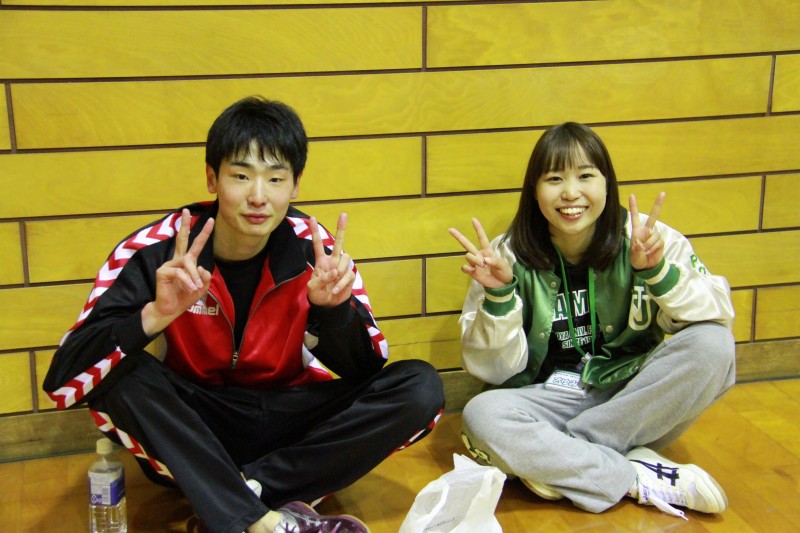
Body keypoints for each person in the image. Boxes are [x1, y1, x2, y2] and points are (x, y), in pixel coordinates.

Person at [44, 96, 445, 533]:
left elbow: (368, 368)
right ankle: (262, 519)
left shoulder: (315, 249)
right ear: (212, 178)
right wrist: (153, 316)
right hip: (195, 426)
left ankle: (234, 499)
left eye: (275, 178)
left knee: (420, 387)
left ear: (295, 186)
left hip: (288, 418)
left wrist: (331, 312)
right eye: (240, 175)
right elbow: (63, 384)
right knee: (121, 374)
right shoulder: (157, 250)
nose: (258, 196)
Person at [448, 122, 735, 520]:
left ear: (607, 184)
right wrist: (500, 296)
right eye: (554, 179)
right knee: (482, 415)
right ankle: (633, 474)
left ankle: (564, 458)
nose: (570, 193)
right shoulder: (505, 255)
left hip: (631, 394)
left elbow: (717, 312)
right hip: (549, 397)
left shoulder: (648, 238)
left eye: (585, 176)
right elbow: (492, 371)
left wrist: (657, 274)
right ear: (534, 189)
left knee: (714, 344)